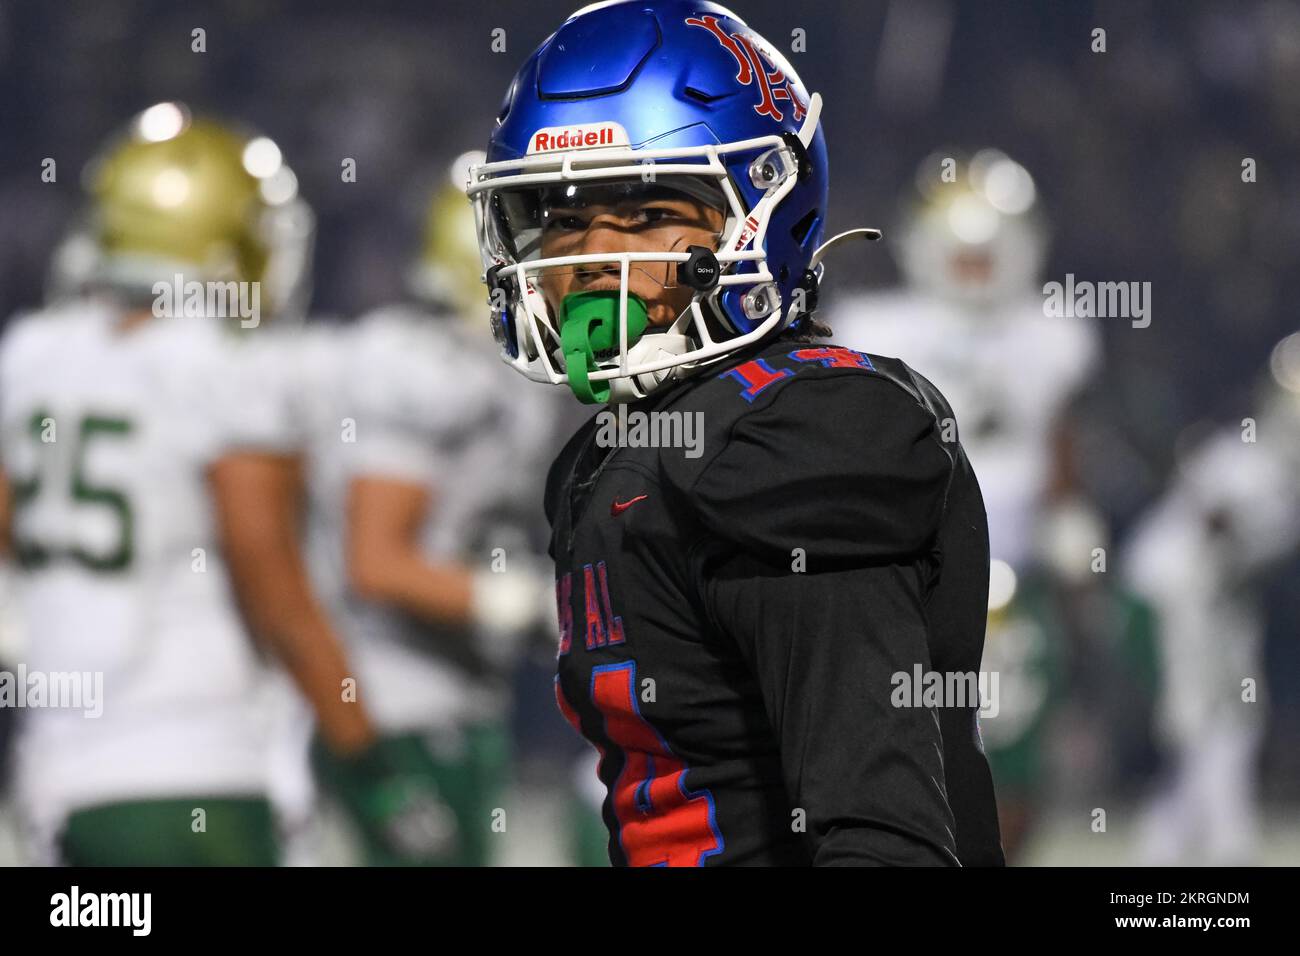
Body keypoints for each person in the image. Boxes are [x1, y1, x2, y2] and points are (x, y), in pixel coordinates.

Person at [466, 0, 1003, 866]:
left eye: (645, 214)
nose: (592, 254)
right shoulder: (616, 451)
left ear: (764, 213)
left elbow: (881, 834)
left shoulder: (802, 438)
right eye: (562, 216)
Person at [0, 103, 418, 865]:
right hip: (196, 773)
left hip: (55, 785)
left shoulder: (32, 356)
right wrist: (370, 762)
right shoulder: (224, 370)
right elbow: (276, 590)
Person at [292, 157, 560, 864]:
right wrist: (522, 604)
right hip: (393, 700)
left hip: (457, 697)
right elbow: (375, 562)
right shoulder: (419, 367)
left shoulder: (500, 375)